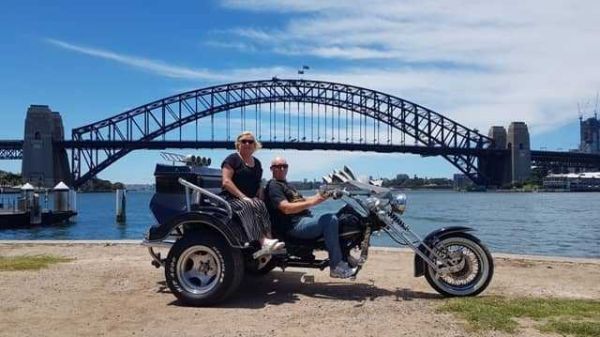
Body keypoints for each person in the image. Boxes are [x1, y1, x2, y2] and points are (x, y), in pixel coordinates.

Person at [264, 156, 357, 279]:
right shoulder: (274, 186)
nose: (281, 169)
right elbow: (285, 208)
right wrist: (315, 202)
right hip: (293, 225)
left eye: (284, 166)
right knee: (329, 220)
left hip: (305, 218)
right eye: (278, 166)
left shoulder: (287, 185)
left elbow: (304, 199)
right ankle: (336, 266)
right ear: (271, 169)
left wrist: (324, 195)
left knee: (343, 215)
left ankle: (345, 255)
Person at [221, 131, 284, 254]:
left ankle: (269, 239)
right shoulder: (232, 159)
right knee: (248, 205)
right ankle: (261, 241)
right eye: (243, 141)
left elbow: (258, 184)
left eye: (250, 141)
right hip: (230, 199)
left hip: (248, 199)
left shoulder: (257, 163)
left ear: (254, 145)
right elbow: (226, 182)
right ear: (238, 144)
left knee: (260, 204)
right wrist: (243, 197)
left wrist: (259, 196)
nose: (247, 144)